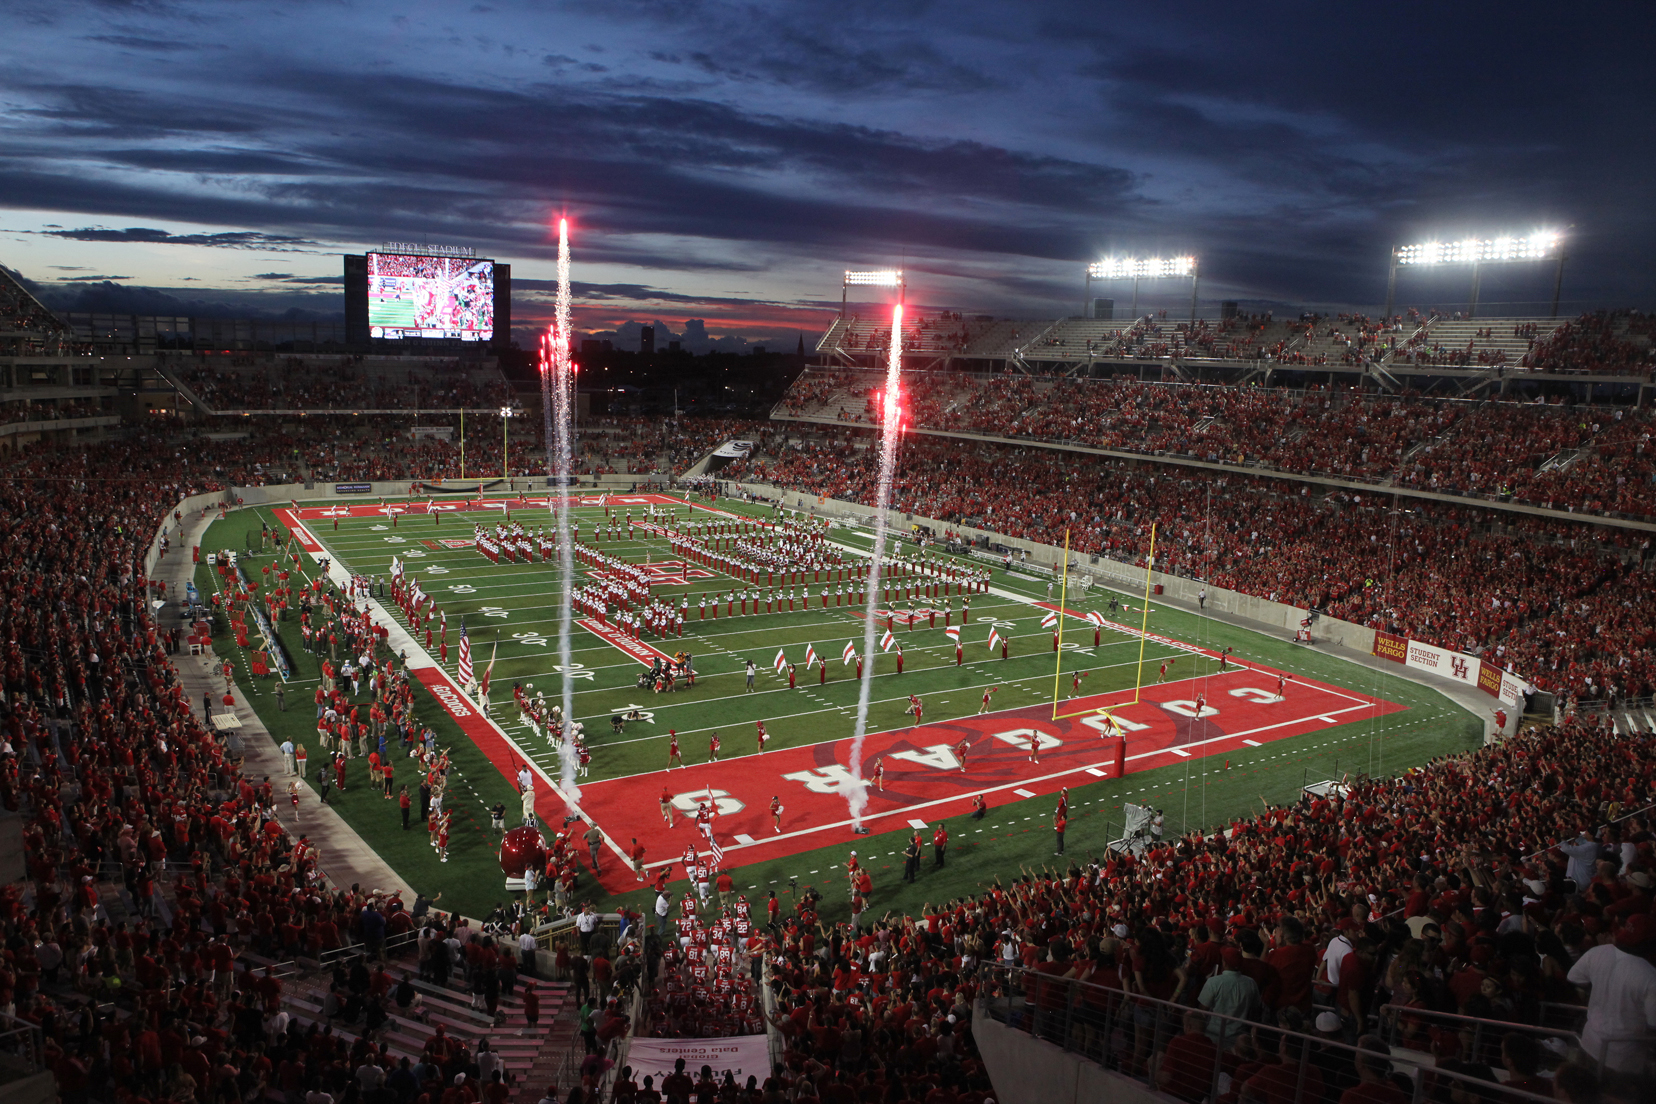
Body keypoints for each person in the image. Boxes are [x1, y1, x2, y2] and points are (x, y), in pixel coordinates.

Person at [1565, 913, 1656, 1073]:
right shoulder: (1649, 975)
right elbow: (1653, 1024)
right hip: (1623, 1058)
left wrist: (1600, 990)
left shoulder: (1599, 952)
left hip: (1589, 1042)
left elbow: (1574, 977)